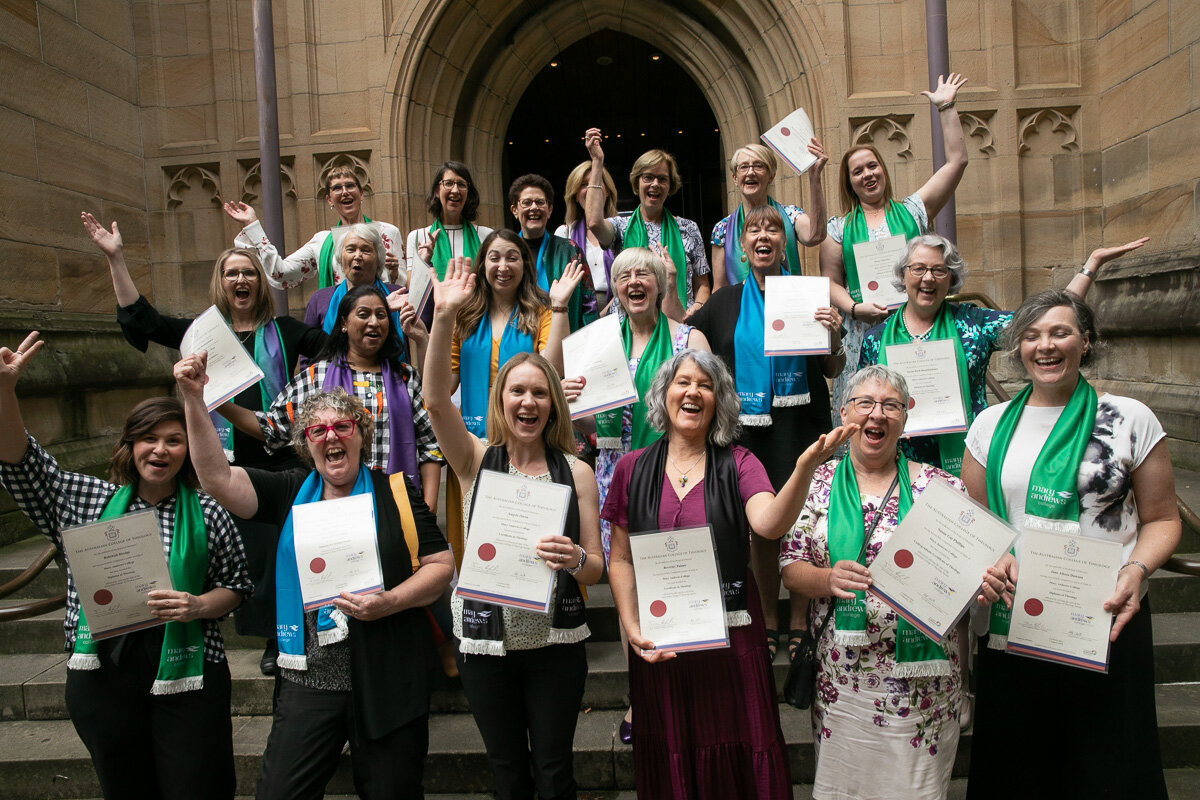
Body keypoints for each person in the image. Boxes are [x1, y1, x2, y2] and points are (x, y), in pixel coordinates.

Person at [176, 354, 454, 800]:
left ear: (361, 435)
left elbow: (442, 568)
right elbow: (215, 478)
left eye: (343, 426)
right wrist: (193, 398)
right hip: (310, 680)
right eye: (318, 430)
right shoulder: (289, 491)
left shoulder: (396, 492)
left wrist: (391, 601)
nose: (332, 436)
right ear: (307, 444)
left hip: (387, 676)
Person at [0, 332, 250, 800]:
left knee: (198, 785)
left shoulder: (210, 510)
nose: (160, 450)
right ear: (128, 445)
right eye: (148, 439)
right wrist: (4, 393)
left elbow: (236, 586)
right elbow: (20, 462)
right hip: (104, 668)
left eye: (174, 441)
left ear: (189, 449)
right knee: (126, 786)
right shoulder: (83, 500)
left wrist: (197, 605)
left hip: (188, 666)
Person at [82, 211, 327, 674]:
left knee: (279, 552)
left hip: (278, 462)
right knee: (241, 557)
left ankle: (280, 638)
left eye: (249, 272)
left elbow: (338, 347)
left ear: (261, 282)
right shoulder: (200, 336)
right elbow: (145, 321)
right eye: (232, 272)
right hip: (221, 464)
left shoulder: (287, 332)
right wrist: (116, 260)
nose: (241, 279)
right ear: (222, 282)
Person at [602, 349, 854, 798]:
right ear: (664, 395)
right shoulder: (630, 468)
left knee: (739, 752)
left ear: (720, 401)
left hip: (732, 641)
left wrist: (802, 468)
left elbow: (769, 524)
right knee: (673, 751)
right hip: (663, 644)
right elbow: (620, 559)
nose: (693, 392)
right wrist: (631, 624)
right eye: (683, 382)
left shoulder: (740, 462)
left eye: (706, 385)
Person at [962, 291, 1180, 799]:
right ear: (1017, 348)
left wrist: (1138, 570)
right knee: (1019, 767)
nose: (1045, 346)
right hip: (1016, 618)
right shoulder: (989, 426)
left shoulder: (1129, 418)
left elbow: (1164, 518)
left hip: (1105, 619)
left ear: (1086, 341)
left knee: (1108, 764)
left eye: (1060, 332)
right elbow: (976, 524)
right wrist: (988, 562)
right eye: (1032, 335)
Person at [778, 364, 1006, 800]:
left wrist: (981, 583)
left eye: (890, 405)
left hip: (924, 688)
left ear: (906, 417)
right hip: (844, 684)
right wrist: (827, 578)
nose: (877, 415)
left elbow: (974, 568)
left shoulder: (942, 488)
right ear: (843, 412)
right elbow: (790, 569)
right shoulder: (816, 484)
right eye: (865, 403)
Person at [423, 260, 605, 800]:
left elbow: (595, 562)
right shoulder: (475, 459)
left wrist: (573, 559)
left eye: (540, 393)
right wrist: (444, 316)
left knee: (553, 773)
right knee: (507, 773)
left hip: (554, 643)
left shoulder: (576, 471)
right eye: (517, 392)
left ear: (554, 405)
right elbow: (435, 399)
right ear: (501, 400)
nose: (528, 402)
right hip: (485, 645)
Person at [560, 246, 710, 742]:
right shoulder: (595, 343)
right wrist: (574, 403)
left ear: (661, 284)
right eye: (624, 276)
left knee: (683, 582)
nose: (634, 282)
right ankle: (640, 699)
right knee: (632, 590)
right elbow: (587, 427)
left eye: (643, 273)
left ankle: (691, 695)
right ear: (616, 290)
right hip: (618, 475)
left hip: (680, 473)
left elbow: (711, 405)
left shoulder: (690, 339)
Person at [689, 204, 845, 663]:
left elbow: (832, 367)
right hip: (745, 431)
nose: (763, 236)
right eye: (753, 229)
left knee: (802, 519)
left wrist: (833, 335)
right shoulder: (723, 302)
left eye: (773, 229)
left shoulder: (809, 295)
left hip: (803, 423)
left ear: (784, 243)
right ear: (742, 246)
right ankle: (767, 617)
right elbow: (686, 338)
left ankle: (799, 618)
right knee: (760, 527)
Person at [858, 232, 1150, 475]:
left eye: (939, 270)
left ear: (951, 279)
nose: (928, 278)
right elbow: (862, 405)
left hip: (968, 456)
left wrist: (1090, 266)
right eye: (918, 269)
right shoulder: (876, 339)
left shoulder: (976, 323)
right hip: (898, 460)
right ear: (903, 275)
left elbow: (1046, 316)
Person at [820, 73, 968, 418]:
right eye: (857, 171)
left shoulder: (914, 209)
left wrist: (947, 107)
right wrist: (856, 310)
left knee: (920, 402)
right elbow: (830, 282)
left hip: (916, 321)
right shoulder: (838, 229)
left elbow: (957, 162)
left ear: (883, 170)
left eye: (872, 166)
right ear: (850, 182)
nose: (867, 174)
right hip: (862, 331)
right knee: (867, 409)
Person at [582, 128, 712, 320]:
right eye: (648, 177)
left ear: (670, 186)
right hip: (629, 328)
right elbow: (593, 222)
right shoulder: (621, 227)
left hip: (678, 324)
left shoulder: (688, 228)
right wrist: (597, 162)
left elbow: (703, 285)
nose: (655, 184)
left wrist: (698, 307)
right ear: (637, 183)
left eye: (662, 179)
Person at [224, 165, 402, 289]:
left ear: (361, 193)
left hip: (380, 321)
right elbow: (280, 273)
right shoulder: (322, 241)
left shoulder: (387, 232)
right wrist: (252, 226)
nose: (345, 191)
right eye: (337, 188)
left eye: (350, 185)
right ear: (329, 199)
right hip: (339, 323)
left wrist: (394, 274)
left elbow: (405, 287)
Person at [710, 140, 827, 290]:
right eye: (744, 167)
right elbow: (719, 288)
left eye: (758, 166)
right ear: (734, 178)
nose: (750, 172)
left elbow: (815, 236)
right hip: (742, 311)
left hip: (786, 306)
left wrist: (815, 177)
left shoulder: (790, 214)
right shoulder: (722, 229)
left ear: (771, 176)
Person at [509, 173, 597, 332]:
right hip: (517, 339)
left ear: (549, 210)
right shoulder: (505, 253)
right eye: (527, 202)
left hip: (563, 337)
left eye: (540, 202)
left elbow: (588, 304)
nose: (534, 207)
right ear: (515, 210)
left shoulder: (570, 250)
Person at [301, 222, 405, 350]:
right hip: (330, 369)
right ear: (340, 257)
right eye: (350, 249)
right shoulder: (320, 299)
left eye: (365, 250)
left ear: (378, 260)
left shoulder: (398, 295)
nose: (357, 256)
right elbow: (307, 354)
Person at [405, 161, 494, 282]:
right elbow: (412, 288)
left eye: (462, 185)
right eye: (448, 184)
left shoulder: (487, 236)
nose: (455, 190)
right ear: (437, 190)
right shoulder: (417, 237)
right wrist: (422, 263)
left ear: (468, 192)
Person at [554, 160, 620, 312]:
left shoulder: (623, 231)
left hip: (617, 313)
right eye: (584, 184)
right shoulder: (564, 234)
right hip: (576, 314)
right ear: (575, 196)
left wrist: (603, 318)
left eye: (596, 182)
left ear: (608, 191)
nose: (591, 189)